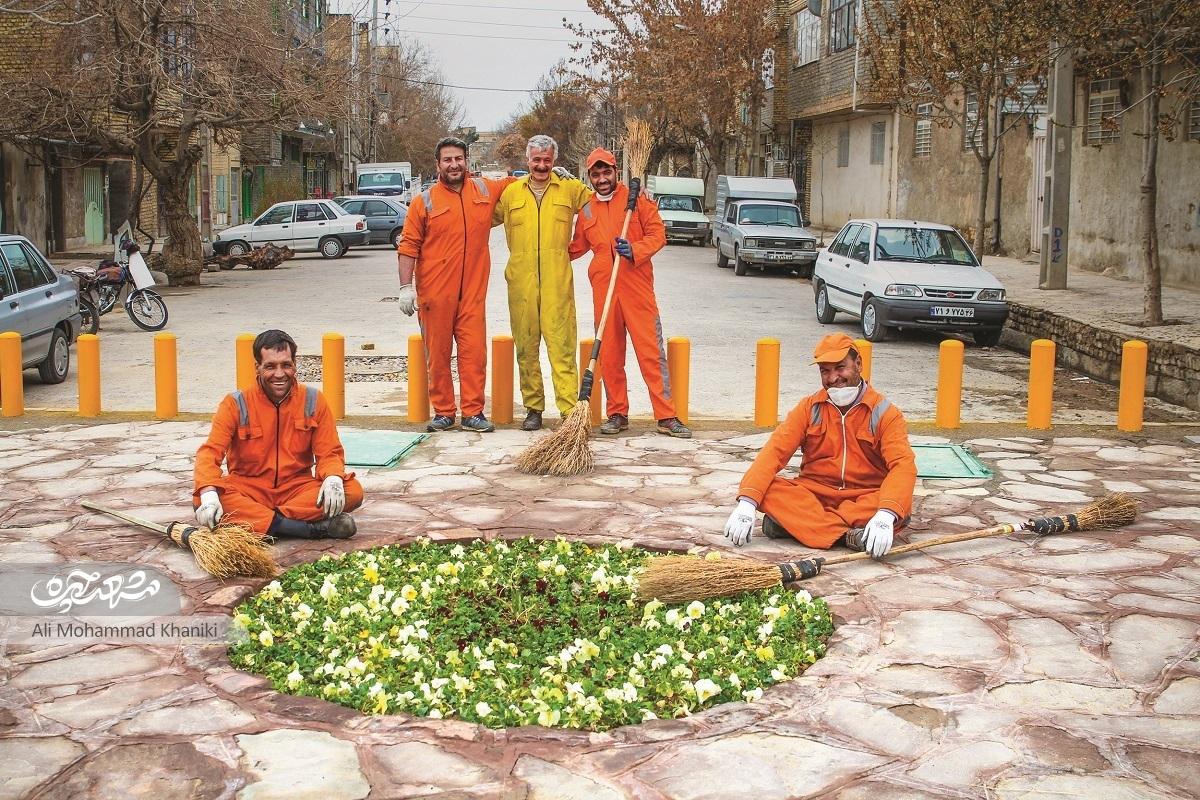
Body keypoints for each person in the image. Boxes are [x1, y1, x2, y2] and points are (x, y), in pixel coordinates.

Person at [723, 332, 916, 557]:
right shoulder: (809, 407)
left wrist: (885, 514)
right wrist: (747, 504)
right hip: (814, 496)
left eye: (840, 367)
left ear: (859, 364)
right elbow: (774, 452)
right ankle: (848, 536)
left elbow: (903, 465)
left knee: (897, 502)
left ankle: (799, 527)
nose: (833, 378)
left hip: (864, 497)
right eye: (825, 370)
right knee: (767, 490)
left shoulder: (885, 413)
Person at [568, 147, 691, 439]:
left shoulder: (637, 200)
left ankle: (666, 416)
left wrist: (635, 250)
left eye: (606, 172)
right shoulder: (586, 209)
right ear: (589, 176)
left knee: (651, 354)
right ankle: (617, 413)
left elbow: (658, 235)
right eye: (596, 174)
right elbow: (576, 247)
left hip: (637, 290)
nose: (602, 179)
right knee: (609, 356)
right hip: (604, 291)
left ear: (616, 172)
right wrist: (546, 251)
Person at [193, 330, 364, 539]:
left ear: (295, 365)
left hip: (296, 489)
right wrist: (209, 493)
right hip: (248, 488)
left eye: (286, 365)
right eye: (270, 366)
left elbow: (329, 452)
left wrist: (333, 478)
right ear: (257, 368)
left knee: (352, 491)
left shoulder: (313, 399)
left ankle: (265, 523)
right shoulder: (235, 404)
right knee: (201, 498)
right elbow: (209, 453)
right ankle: (307, 529)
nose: (279, 374)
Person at [396, 137, 515, 432]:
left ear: (467, 161)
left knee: (474, 354)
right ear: (438, 165)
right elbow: (409, 246)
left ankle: (473, 412)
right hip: (435, 296)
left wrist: (552, 175)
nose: (454, 164)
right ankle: (444, 412)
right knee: (437, 356)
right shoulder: (424, 201)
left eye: (458, 159)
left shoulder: (485, 190)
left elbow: (517, 183)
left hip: (472, 294)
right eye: (447, 160)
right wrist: (404, 288)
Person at [493, 134, 592, 431]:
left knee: (561, 348)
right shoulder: (511, 194)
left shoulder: (570, 190)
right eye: (536, 160)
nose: (541, 165)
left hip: (557, 284)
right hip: (521, 284)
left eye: (547, 160)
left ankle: (567, 411)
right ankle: (533, 409)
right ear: (527, 160)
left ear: (554, 161)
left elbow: (601, 204)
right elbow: (478, 216)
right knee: (526, 348)